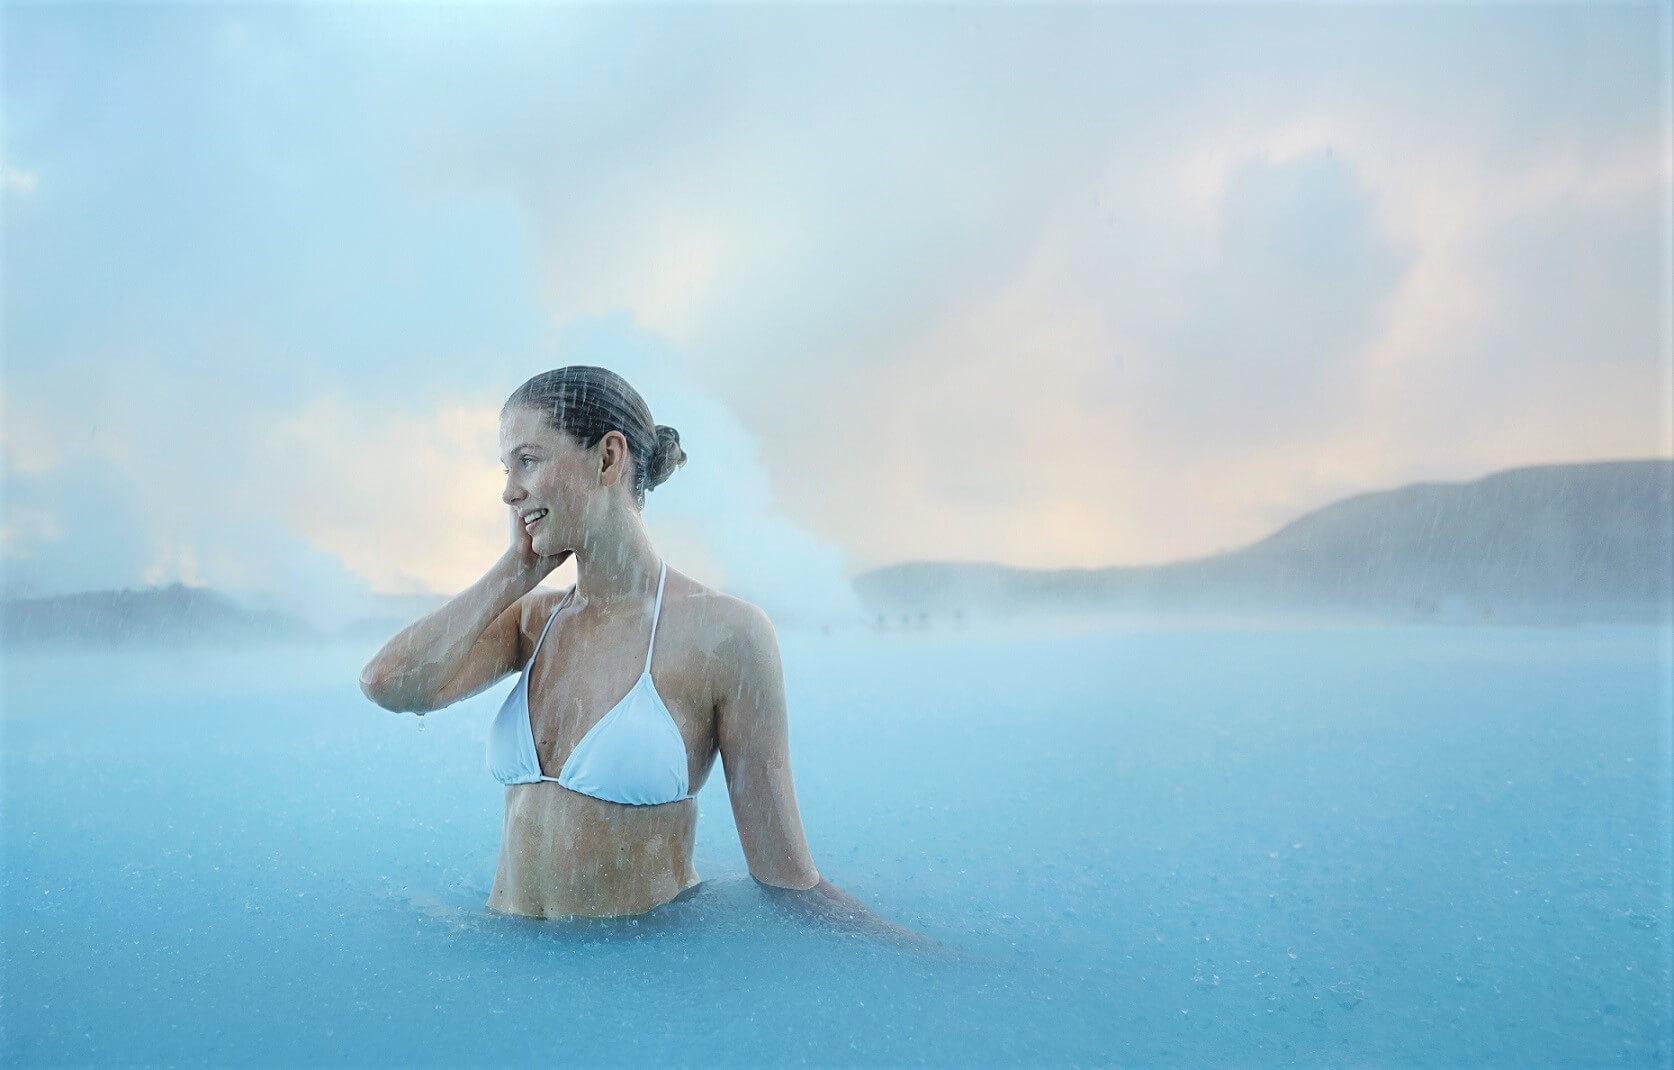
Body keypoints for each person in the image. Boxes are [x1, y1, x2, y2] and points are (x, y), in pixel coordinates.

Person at [359, 366, 930, 945]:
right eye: (508, 470)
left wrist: (914, 958)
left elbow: (786, 879)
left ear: (608, 458)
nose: (509, 490)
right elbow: (388, 686)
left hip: (640, 988)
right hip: (516, 982)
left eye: (528, 459)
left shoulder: (724, 635)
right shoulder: (534, 622)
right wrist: (513, 572)